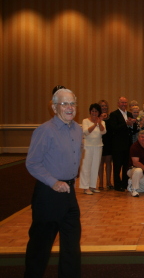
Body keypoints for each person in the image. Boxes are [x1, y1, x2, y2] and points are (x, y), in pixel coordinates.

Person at [25, 88, 82, 277]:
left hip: (69, 194)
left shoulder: (78, 129)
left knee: (72, 246)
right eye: (64, 103)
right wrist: (53, 182)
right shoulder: (44, 131)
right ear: (54, 107)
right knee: (40, 246)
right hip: (48, 195)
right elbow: (32, 163)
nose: (69, 107)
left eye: (72, 103)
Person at [79, 103, 106, 195]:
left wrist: (99, 123)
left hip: (98, 146)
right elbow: (86, 132)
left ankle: (92, 186)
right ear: (90, 111)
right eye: (93, 111)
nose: (94, 113)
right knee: (86, 167)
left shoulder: (101, 122)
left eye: (96, 111)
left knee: (95, 167)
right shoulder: (85, 120)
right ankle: (85, 187)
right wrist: (95, 124)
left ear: (99, 112)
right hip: (87, 146)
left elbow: (103, 131)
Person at [109, 97, 134, 191]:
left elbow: (133, 129)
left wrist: (132, 124)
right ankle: (117, 185)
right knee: (117, 166)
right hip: (118, 145)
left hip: (128, 144)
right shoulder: (114, 114)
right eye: (122, 102)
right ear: (118, 103)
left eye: (125, 102)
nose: (124, 104)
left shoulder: (130, 114)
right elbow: (114, 128)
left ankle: (124, 184)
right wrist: (126, 123)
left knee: (126, 165)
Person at [98, 99, 113, 190]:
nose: (104, 107)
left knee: (108, 163)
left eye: (105, 106)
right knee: (100, 163)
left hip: (109, 141)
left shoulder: (111, 116)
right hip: (99, 141)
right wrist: (101, 118)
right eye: (102, 106)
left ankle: (108, 182)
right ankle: (100, 183)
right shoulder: (97, 117)